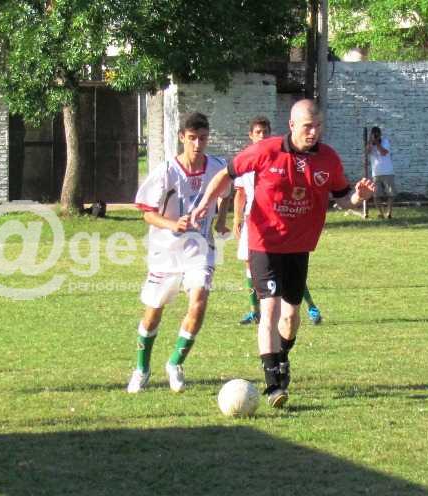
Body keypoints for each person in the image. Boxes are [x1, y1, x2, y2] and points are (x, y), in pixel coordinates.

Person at [191, 99, 374, 408]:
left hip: (299, 247)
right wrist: (204, 204)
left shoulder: (328, 159)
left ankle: (282, 356)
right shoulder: (267, 150)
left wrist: (359, 196)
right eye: (307, 127)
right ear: (292, 125)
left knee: (290, 317)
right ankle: (273, 384)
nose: (313, 133)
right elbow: (227, 173)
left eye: (318, 127)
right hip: (264, 243)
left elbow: (343, 198)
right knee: (270, 309)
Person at [126, 112, 229, 393]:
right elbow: (147, 213)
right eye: (192, 138)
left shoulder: (217, 167)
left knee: (199, 301)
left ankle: (174, 363)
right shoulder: (166, 172)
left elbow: (225, 192)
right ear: (182, 137)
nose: (198, 144)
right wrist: (173, 224)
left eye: (203, 138)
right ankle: (142, 368)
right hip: (166, 251)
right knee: (153, 312)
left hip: (200, 250)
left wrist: (220, 219)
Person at [225, 116, 323, 327]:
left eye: (265, 132)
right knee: (250, 265)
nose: (262, 136)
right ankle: (255, 311)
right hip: (252, 220)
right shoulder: (246, 159)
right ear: (251, 135)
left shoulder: (279, 156)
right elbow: (240, 193)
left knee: (287, 269)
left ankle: (311, 306)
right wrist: (237, 219)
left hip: (276, 220)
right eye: (258, 132)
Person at [366, 126, 395, 219]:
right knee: (376, 195)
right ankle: (381, 213)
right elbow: (367, 152)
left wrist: (377, 143)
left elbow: (383, 152)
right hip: (376, 173)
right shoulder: (370, 143)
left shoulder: (385, 141)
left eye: (377, 135)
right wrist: (370, 141)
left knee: (391, 194)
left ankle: (389, 213)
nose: (375, 136)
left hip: (387, 172)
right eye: (374, 134)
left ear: (380, 134)